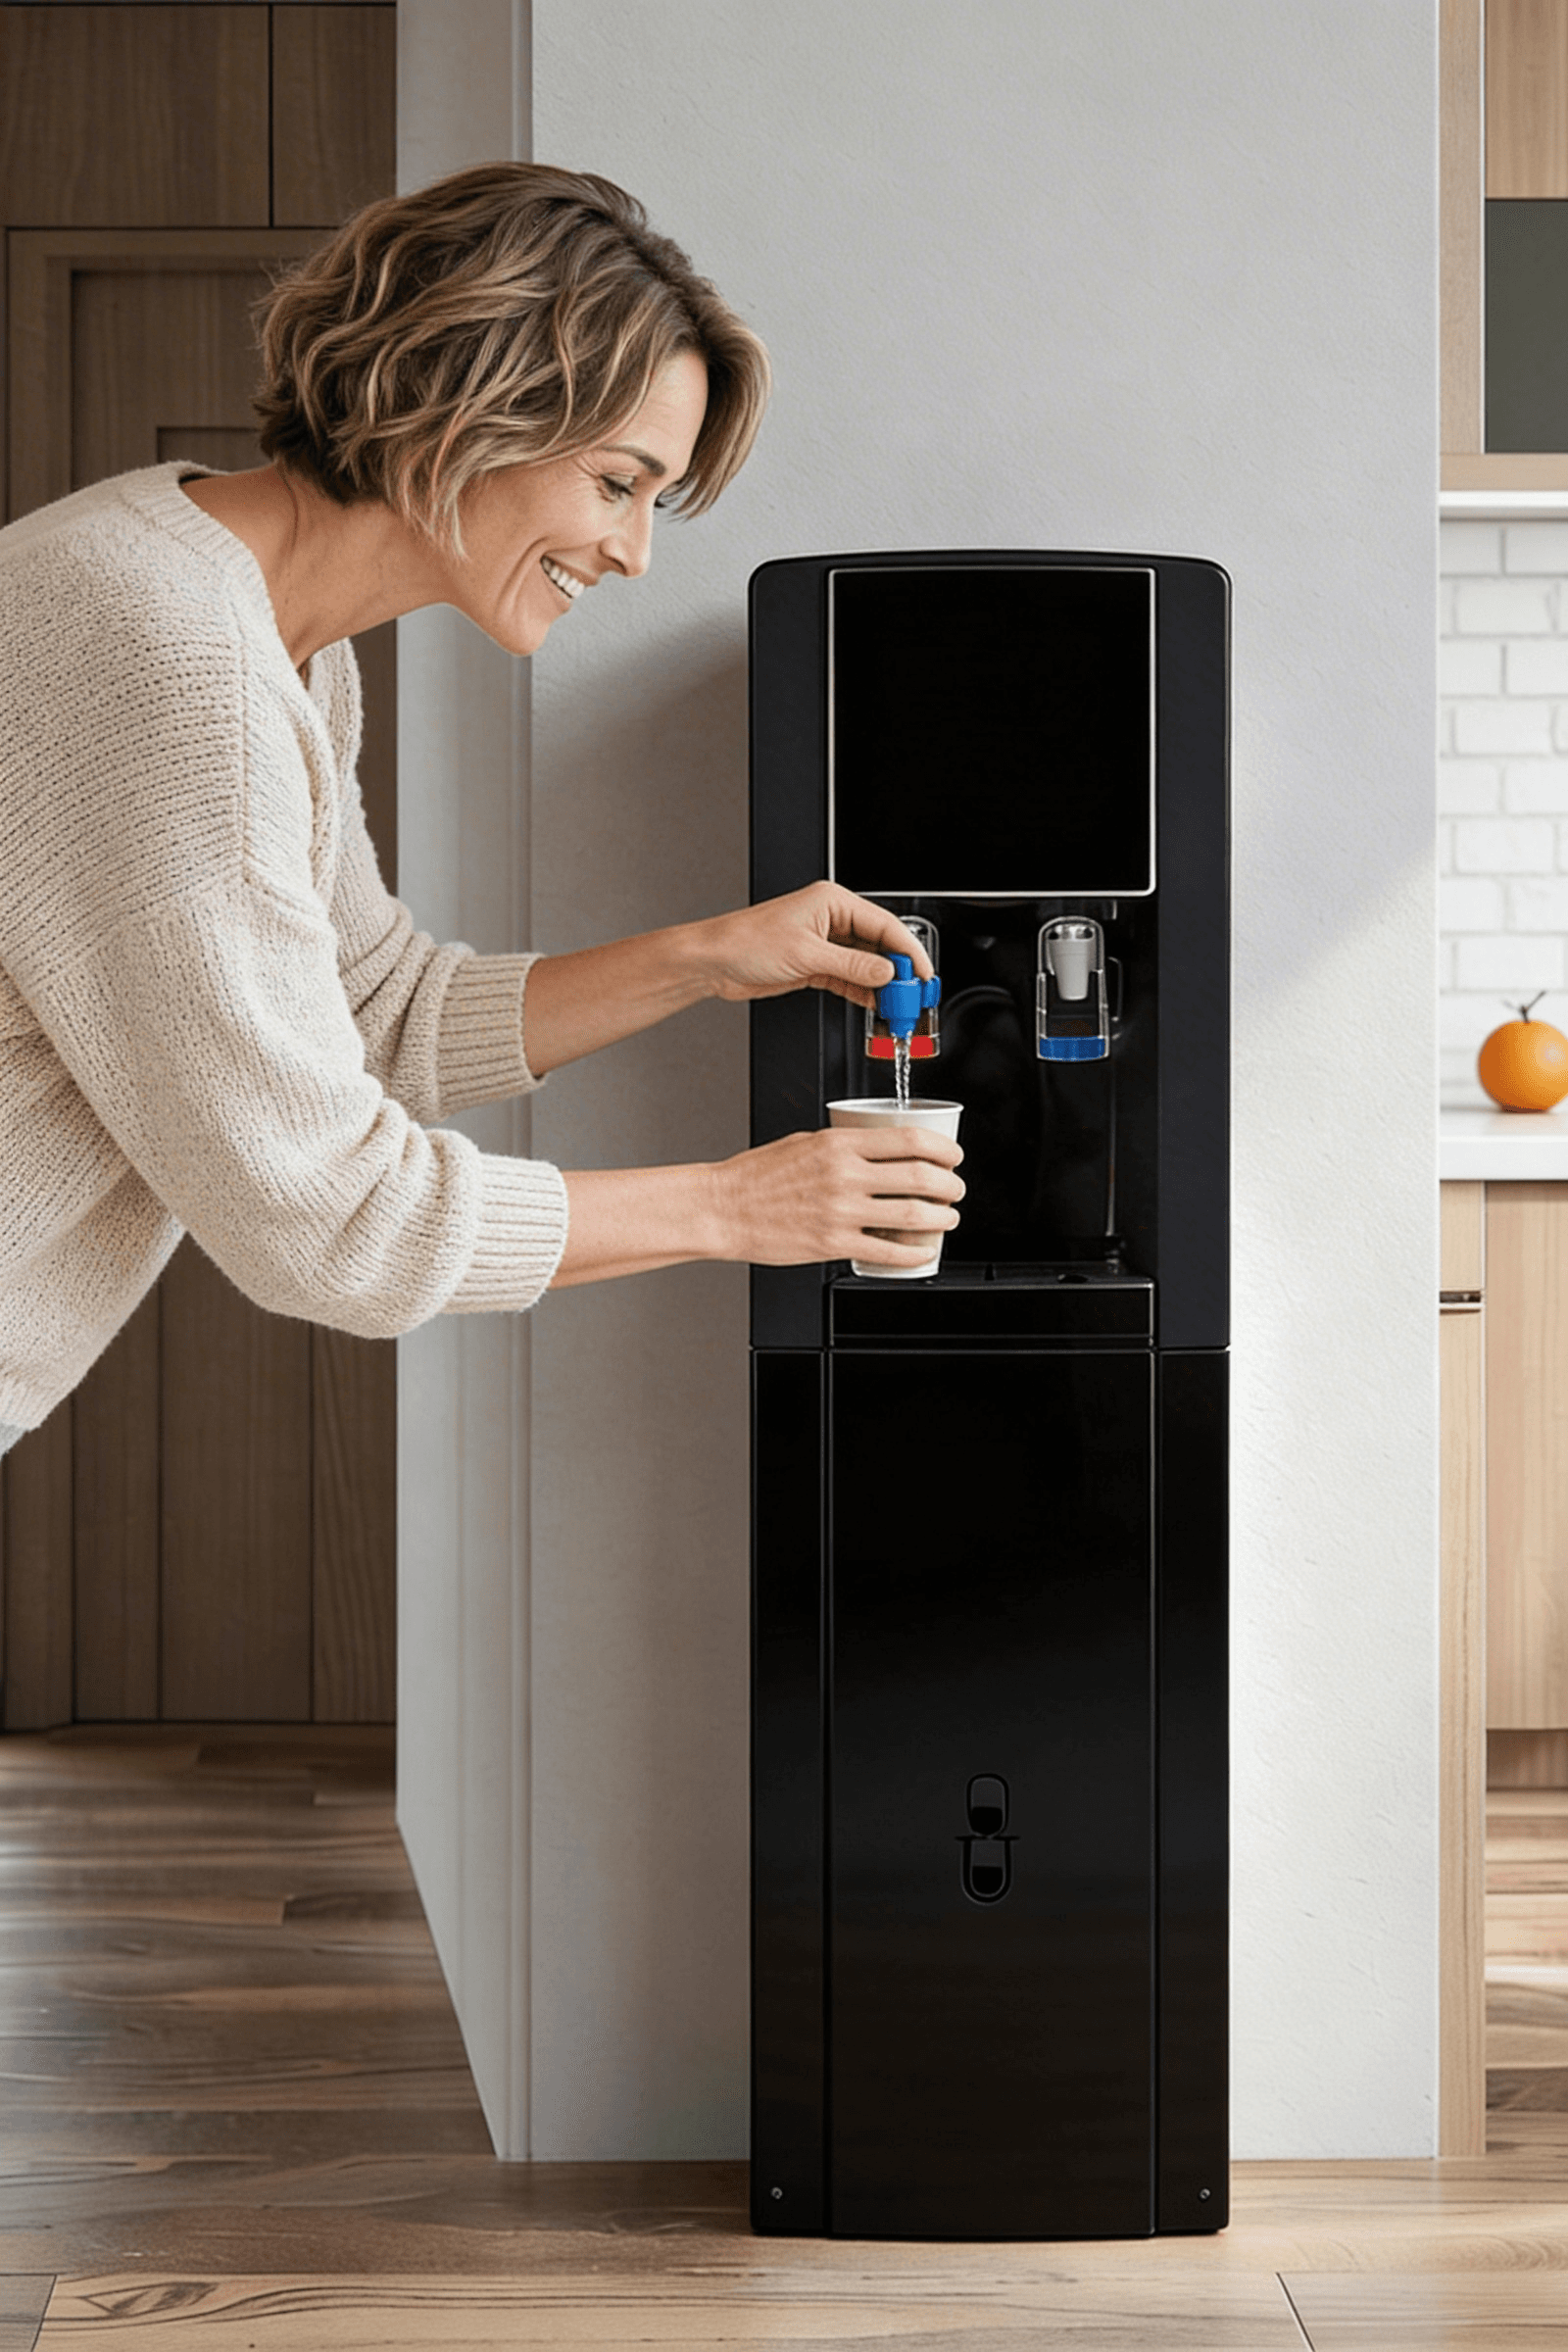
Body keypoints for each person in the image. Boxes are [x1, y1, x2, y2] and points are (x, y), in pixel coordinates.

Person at [0, 162, 963, 1451]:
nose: (633, 552)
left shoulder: (246, 617)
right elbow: (332, 1226)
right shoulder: (176, 668)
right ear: (470, 401)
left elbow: (366, 1013)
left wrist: (707, 959)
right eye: (618, 483)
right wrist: (738, 1210)